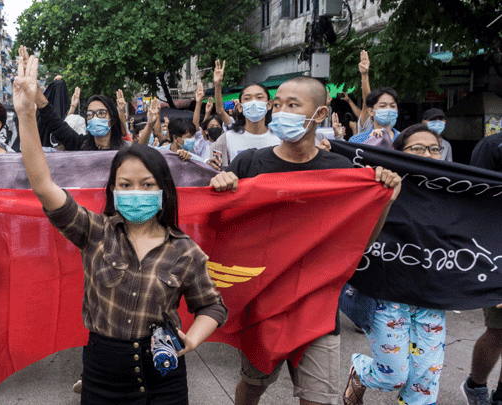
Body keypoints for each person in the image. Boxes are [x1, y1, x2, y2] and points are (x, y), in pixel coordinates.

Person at [15, 49, 227, 405]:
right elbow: (43, 185)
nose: (135, 192)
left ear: (164, 191)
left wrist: (190, 340)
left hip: (164, 376)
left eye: (146, 184)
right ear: (112, 190)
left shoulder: (185, 249)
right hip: (101, 372)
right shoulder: (95, 232)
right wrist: (25, 113)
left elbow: (212, 306)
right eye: (125, 185)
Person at [209, 76, 402, 405]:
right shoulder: (249, 164)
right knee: (253, 387)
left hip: (318, 309)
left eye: (293, 105)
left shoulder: (341, 172)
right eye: (278, 104)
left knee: (318, 399)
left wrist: (384, 201)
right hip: (263, 305)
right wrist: (220, 188)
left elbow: (360, 245)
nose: (280, 111)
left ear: (321, 112)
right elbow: (219, 233)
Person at [342, 123, 446, 405]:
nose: (429, 154)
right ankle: (360, 373)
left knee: (423, 383)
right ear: (399, 153)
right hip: (386, 297)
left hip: (431, 299)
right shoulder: (381, 185)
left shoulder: (453, 194)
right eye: (419, 148)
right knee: (393, 376)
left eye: (435, 149)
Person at [461, 130, 502, 405]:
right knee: (498, 329)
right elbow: (474, 202)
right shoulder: (492, 146)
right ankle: (475, 387)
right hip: (498, 249)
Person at [212, 60, 280, 166]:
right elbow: (215, 170)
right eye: (247, 98)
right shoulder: (227, 139)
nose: (253, 102)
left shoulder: (281, 138)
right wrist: (217, 84)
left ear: (269, 104)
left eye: (259, 97)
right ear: (239, 107)